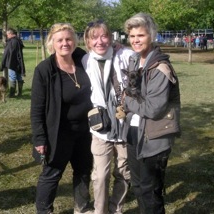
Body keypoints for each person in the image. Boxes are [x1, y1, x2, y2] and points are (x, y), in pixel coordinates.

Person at [30, 23, 93, 214]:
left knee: (83, 171)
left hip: (86, 131)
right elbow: (37, 109)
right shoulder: (45, 70)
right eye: (60, 40)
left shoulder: (83, 60)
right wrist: (39, 139)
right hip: (58, 133)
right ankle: (44, 210)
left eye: (68, 39)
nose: (65, 43)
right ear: (52, 43)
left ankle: (82, 208)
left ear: (74, 40)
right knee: (52, 174)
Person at [123, 13, 181, 214]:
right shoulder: (133, 61)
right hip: (134, 132)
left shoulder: (160, 68)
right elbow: (130, 90)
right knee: (138, 186)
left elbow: (153, 108)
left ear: (151, 36)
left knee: (151, 190)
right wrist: (129, 101)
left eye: (141, 35)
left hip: (155, 137)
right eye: (132, 36)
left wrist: (127, 102)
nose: (136, 40)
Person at [82, 20, 132, 214]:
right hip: (101, 127)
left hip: (125, 124)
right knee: (100, 176)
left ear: (111, 38)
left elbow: (145, 54)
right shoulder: (85, 60)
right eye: (94, 37)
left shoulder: (125, 55)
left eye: (104, 36)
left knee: (123, 173)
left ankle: (116, 209)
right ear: (87, 41)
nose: (100, 41)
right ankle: (99, 211)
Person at [0, 28, 26, 97]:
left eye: (7, 35)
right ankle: (19, 93)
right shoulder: (18, 40)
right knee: (18, 76)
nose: (7, 36)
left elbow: (10, 52)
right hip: (18, 61)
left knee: (12, 77)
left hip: (12, 61)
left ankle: (12, 94)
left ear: (10, 34)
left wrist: (4, 57)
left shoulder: (12, 41)